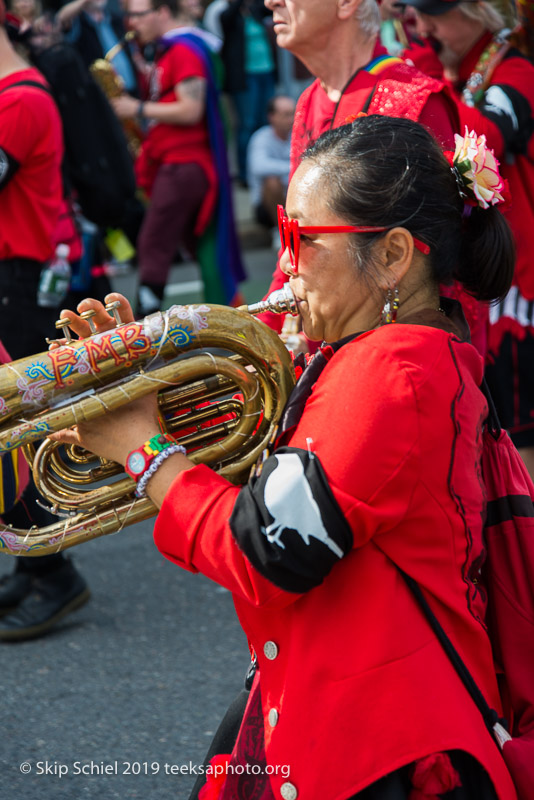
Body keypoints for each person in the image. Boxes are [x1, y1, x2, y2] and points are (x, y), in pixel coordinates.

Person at [54, 115, 517, 799]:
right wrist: (144, 390)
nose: (289, 265)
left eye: (303, 240)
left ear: (392, 255)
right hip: (336, 702)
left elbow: (268, 550)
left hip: (383, 747)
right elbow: (289, 487)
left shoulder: (393, 373)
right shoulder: (378, 352)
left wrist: (143, 449)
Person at [400, 0, 534, 478]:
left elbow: (483, 144)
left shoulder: (517, 70)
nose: (423, 23)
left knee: (518, 440)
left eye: (435, 10)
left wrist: (427, 84)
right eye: (416, 10)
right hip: (471, 278)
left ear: (483, 10)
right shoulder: (445, 71)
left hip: (515, 288)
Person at [0, 2, 89, 640]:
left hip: (15, 280)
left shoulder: (19, 101)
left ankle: (54, 573)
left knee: (18, 431)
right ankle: (34, 566)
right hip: (15, 278)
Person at [113, 0, 245, 314]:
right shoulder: (163, 50)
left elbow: (190, 109)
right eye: (129, 15)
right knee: (190, 245)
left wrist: (136, 108)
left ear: (162, 13)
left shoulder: (183, 49)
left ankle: (144, 324)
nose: (132, 23)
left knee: (154, 242)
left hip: (185, 164)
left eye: (139, 14)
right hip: (173, 162)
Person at [246, 93, 295, 241]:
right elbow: (258, 166)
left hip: (294, 199)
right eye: (286, 114)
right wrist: (294, 166)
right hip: (266, 208)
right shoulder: (261, 138)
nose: (292, 119)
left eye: (293, 113)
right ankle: (280, 231)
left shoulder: (298, 134)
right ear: (272, 117)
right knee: (272, 182)